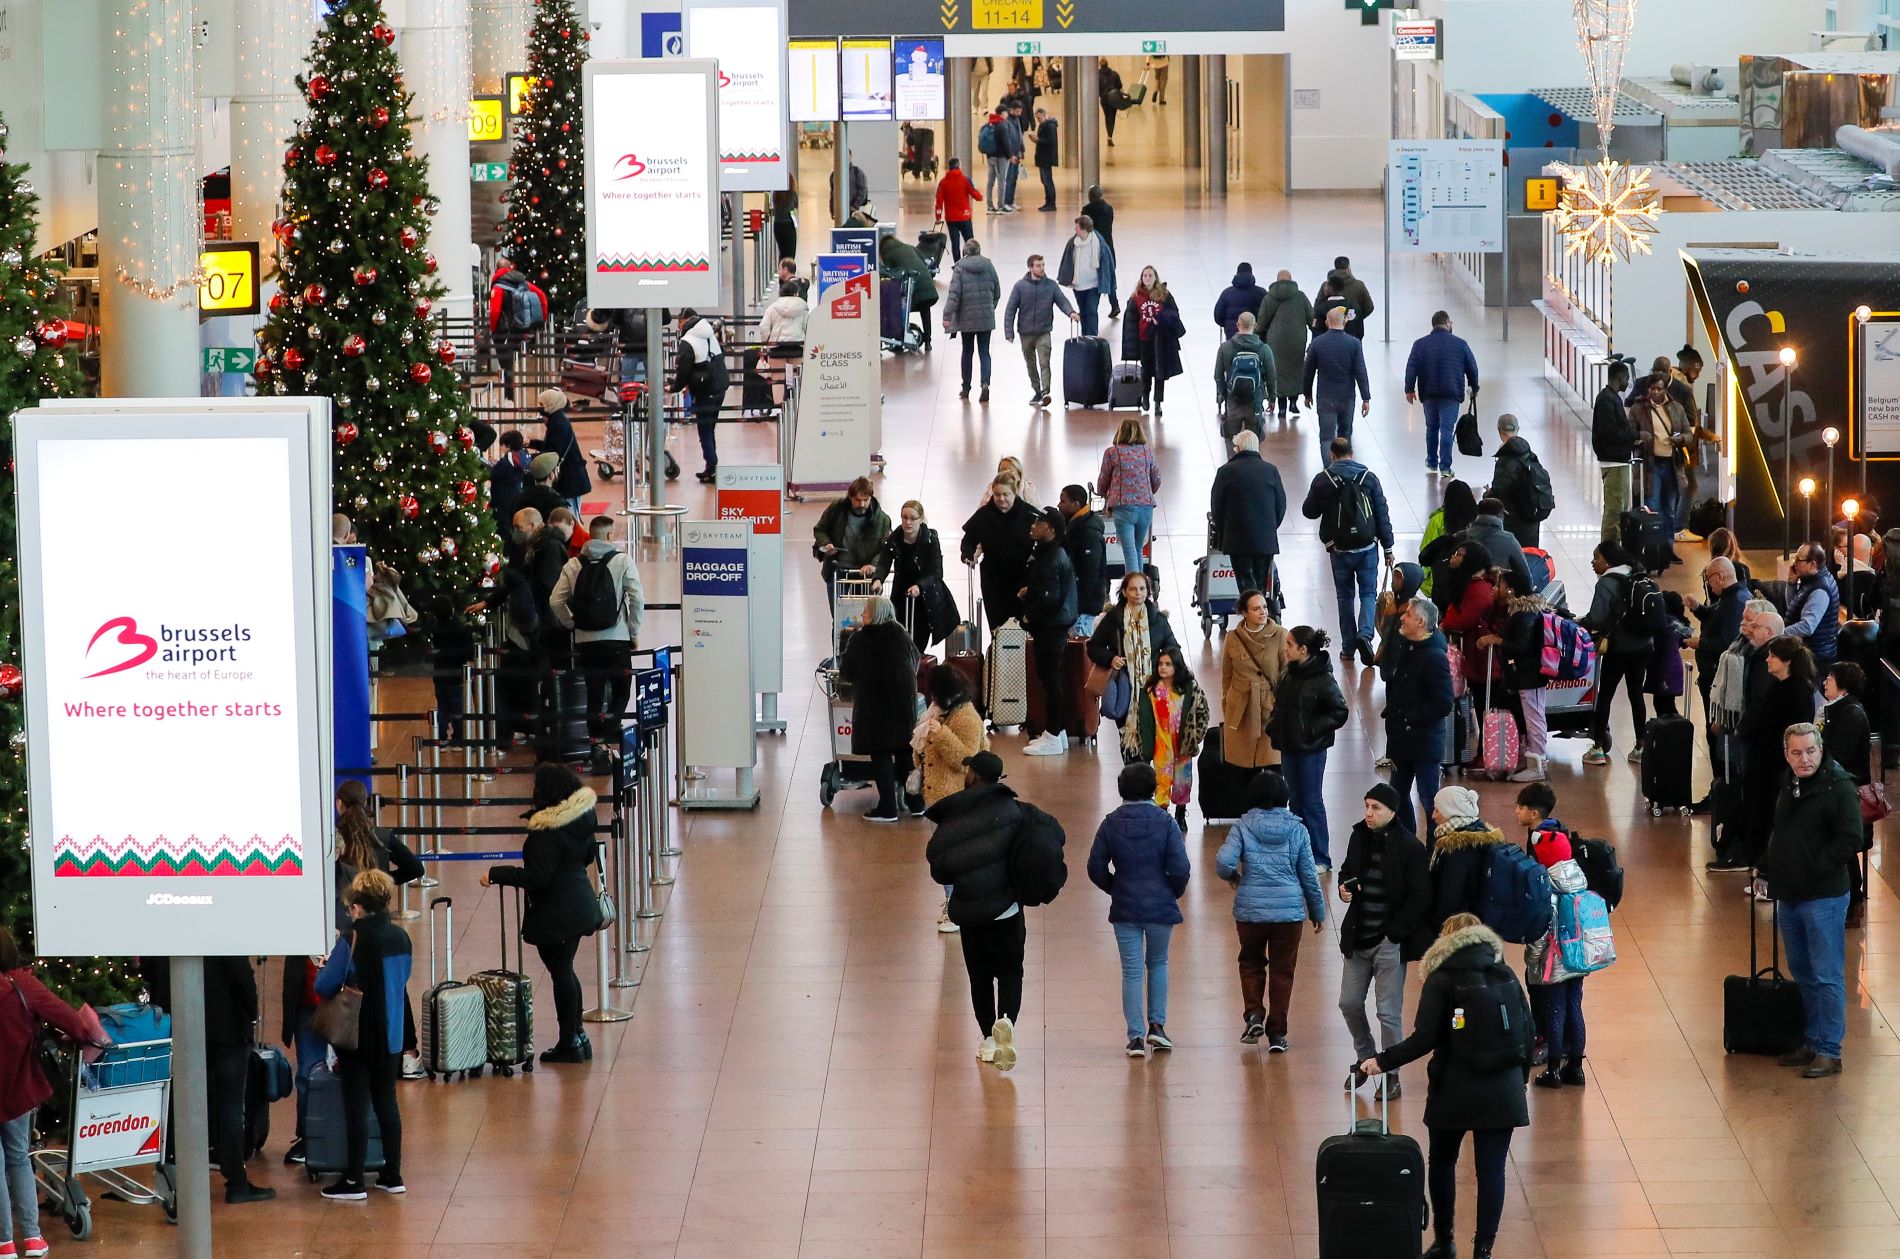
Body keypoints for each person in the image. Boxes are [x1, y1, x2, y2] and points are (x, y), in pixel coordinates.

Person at [1356, 912, 1532, 1259]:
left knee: (1442, 1162)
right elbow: (1527, 1032)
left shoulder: (1441, 978)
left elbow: (1424, 1038)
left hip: (1455, 1087)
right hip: (1504, 1089)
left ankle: (1445, 1240)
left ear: (1446, 941)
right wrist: (1520, 1081)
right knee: (1492, 1170)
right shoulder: (1506, 974)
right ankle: (1483, 1249)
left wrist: (1383, 1061)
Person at [480, 763, 604, 1065]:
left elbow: (538, 877)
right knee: (566, 969)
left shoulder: (547, 830)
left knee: (561, 972)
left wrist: (497, 873)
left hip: (556, 912)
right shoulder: (581, 818)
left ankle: (569, 1041)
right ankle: (578, 1035)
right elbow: (588, 855)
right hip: (579, 905)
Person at [0, 926, 114, 1241]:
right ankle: (33, 1237)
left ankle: (4, 1243)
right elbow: (73, 1021)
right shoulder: (24, 985)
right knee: (19, 1158)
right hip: (19, 1089)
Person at [1759, 722, 1860, 1077]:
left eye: (1811, 751)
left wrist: (1817, 867)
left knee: (1827, 973)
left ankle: (1829, 1050)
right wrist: (1768, 865)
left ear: (1821, 749)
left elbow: (1851, 837)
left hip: (1824, 896)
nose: (1805, 759)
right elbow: (1783, 830)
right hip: (1791, 894)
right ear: (1787, 754)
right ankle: (1813, 1041)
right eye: (1797, 753)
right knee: (1803, 970)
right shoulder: (1790, 783)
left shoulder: (1838, 786)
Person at [926, 751, 1039, 1067]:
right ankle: (1007, 1023)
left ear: (973, 776)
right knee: (1010, 971)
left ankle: (989, 1038)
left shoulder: (955, 815)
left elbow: (939, 869)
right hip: (1007, 911)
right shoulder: (1015, 811)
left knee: (979, 977)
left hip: (971, 913)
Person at [315, 869, 414, 1199]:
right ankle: (392, 1174)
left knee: (356, 1104)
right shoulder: (401, 937)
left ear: (357, 906)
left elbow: (325, 984)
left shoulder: (353, 939)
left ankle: (354, 1179)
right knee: (387, 1101)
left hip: (359, 1035)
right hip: (393, 1033)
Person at [1085, 762, 1193, 1062]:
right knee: (1158, 963)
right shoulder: (1166, 823)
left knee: (1131, 972)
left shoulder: (1110, 824)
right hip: (1161, 906)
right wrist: (1173, 891)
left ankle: (1134, 1036)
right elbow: (1181, 868)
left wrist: (1114, 887)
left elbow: (1095, 868)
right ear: (1152, 788)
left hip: (1125, 907)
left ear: (1122, 789)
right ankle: (1157, 1025)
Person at [1217, 772, 1325, 1050]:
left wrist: (1236, 878)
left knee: (1251, 962)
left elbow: (1223, 862)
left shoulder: (1243, 826)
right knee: (1282, 970)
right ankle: (1277, 1033)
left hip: (1250, 911)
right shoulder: (1298, 829)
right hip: (1288, 914)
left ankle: (1253, 1013)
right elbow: (1309, 877)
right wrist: (1317, 911)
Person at [1338, 784, 1432, 1099]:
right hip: (1358, 937)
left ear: (1392, 811)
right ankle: (1366, 1057)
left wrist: (1395, 932)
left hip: (1389, 941)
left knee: (1388, 1012)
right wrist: (1344, 887)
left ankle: (1391, 1071)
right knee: (1349, 1003)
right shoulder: (1357, 838)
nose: (1369, 813)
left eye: (1376, 807)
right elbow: (1346, 871)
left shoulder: (1409, 847)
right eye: (1367, 805)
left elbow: (1420, 895)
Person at [549, 515, 645, 765]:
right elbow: (637, 599)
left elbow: (555, 601)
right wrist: (633, 632)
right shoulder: (623, 561)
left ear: (590, 535)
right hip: (617, 640)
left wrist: (572, 623)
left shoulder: (573, 564)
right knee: (623, 688)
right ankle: (611, 730)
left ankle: (596, 746)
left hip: (585, 641)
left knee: (594, 693)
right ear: (611, 535)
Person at [1514, 785, 1592, 1088]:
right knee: (1574, 1006)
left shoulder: (1545, 887)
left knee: (1555, 1010)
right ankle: (1576, 1068)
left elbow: (1538, 933)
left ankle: (1554, 1071)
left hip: (1554, 959)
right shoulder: (1577, 879)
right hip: (1579, 954)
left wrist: (1532, 964)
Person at [1303, 435, 1395, 666]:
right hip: (1367, 546)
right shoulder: (1368, 478)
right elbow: (1382, 514)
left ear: (1332, 455)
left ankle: (1347, 648)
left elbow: (1309, 512)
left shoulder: (1323, 480)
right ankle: (1365, 635)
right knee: (1368, 593)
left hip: (1340, 548)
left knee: (1345, 596)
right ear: (1351, 454)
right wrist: (1388, 547)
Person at [1269, 626, 1348, 868]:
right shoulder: (1288, 675)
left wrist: (1311, 729)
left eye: (1290, 645)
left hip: (1311, 750)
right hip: (1289, 746)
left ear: (1303, 650)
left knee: (1312, 802)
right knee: (1295, 802)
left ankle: (1320, 856)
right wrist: (1274, 725)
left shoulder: (1323, 678)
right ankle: (1300, 854)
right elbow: (1280, 704)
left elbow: (1339, 711)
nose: (1285, 649)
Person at [840, 596, 923, 819]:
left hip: (874, 704)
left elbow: (846, 671)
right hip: (903, 702)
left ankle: (887, 808)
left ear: (876, 614)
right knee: (905, 751)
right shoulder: (902, 634)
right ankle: (917, 803)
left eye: (866, 610)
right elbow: (915, 660)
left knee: (881, 752)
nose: (863, 613)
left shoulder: (860, 639)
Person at [1578, 540, 1655, 767]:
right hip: (1642, 645)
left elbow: (1597, 618)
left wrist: (1580, 623)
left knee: (1606, 695)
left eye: (1596, 557)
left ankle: (1599, 748)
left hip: (1618, 648)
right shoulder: (1636, 574)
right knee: (1636, 694)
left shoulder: (1606, 583)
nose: (1593, 562)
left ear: (1608, 560)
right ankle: (1641, 745)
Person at [1090, 570, 1181, 759]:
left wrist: (1160, 664)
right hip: (1125, 686)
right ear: (1124, 592)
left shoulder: (1158, 620)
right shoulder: (1113, 619)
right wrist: (1110, 658)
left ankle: (1146, 774)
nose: (1138, 593)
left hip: (1153, 687)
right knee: (1126, 735)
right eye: (1133, 589)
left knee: (1152, 734)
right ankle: (1132, 774)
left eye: (1142, 588)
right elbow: (1093, 646)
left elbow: (1173, 648)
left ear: (1148, 591)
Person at [1382, 599, 1455, 835]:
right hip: (1402, 740)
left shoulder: (1434, 657)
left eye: (1408, 615)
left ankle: (1435, 852)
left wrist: (1409, 718)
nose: (1402, 618)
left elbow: (1443, 703)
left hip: (1424, 742)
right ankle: (1408, 846)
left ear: (1421, 623)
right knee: (1397, 796)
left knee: (1429, 801)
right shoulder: (1409, 646)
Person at [1686, 556, 1748, 795]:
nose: (1709, 585)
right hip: (1713, 677)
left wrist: (1698, 642)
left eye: (1709, 579)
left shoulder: (1735, 602)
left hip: (1719, 681)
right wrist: (1698, 609)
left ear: (1720, 577)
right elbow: (1715, 618)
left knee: (1718, 735)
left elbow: (1727, 642)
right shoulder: (1731, 597)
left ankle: (1721, 790)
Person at [1483, 569, 1554, 782]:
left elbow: (1522, 646)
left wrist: (1497, 641)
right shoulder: (1525, 612)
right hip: (1531, 675)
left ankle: (1537, 764)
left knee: (1534, 718)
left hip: (1528, 675)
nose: (1497, 589)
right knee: (1534, 716)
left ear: (1511, 589)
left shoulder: (1524, 615)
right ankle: (1536, 760)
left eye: (1500, 585)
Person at [1020, 507, 1080, 757]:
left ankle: (1053, 735)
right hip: (1057, 623)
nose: (1033, 525)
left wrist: (1027, 614)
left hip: (1051, 626)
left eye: (1040, 522)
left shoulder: (1051, 557)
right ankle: (1059, 731)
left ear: (1052, 530)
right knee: (1053, 679)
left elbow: (1049, 598)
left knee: (1051, 680)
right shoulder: (1050, 553)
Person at [1131, 644, 1211, 830]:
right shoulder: (1151, 691)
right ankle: (1162, 814)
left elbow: (1203, 711)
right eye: (1160, 664)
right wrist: (1145, 743)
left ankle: (1181, 813)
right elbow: (1142, 718)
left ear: (1177, 666)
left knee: (1183, 781)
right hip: (1161, 744)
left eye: (1168, 664)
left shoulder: (1189, 688)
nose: (1163, 667)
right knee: (1162, 780)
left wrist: (1195, 736)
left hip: (1182, 745)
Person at [1820, 662, 1874, 922]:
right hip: (1839, 788)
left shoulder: (1850, 713)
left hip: (1848, 792)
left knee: (1845, 847)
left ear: (1843, 683)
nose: (1825, 682)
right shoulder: (1836, 710)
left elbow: (1841, 755)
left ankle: (1854, 900)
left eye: (1830, 678)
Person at [1210, 430, 1287, 600]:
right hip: (1265, 539)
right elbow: (1281, 505)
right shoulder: (1271, 470)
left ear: (1237, 448)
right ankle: (1260, 616)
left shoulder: (1225, 471)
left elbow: (1217, 507)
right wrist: (1270, 527)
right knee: (1260, 584)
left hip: (1237, 539)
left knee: (1245, 585)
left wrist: (1225, 532)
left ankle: (1252, 619)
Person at [1221, 587, 1289, 774]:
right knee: (1241, 765)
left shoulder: (1281, 635)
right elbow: (1227, 675)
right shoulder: (1233, 637)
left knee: (1272, 762)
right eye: (1256, 609)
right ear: (1244, 612)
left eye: (1265, 607)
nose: (1263, 612)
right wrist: (1226, 702)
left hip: (1269, 706)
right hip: (1241, 706)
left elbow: (1286, 673)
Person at [1404, 311, 1480, 477]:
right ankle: (1445, 467)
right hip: (1451, 393)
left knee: (1431, 428)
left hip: (1429, 393)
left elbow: (1411, 367)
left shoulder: (1420, 344)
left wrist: (1409, 389)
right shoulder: (1460, 344)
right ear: (1447, 323)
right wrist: (1474, 387)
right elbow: (1472, 368)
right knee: (1447, 429)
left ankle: (1431, 462)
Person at [1001, 253, 1078, 408]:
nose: (1042, 268)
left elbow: (1061, 300)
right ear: (1030, 268)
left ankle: (1045, 392)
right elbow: (1010, 310)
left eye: (1043, 265)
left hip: (1043, 332)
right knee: (1031, 365)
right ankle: (1037, 390)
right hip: (1026, 333)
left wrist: (1071, 312)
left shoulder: (1051, 285)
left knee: (1044, 363)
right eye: (1038, 265)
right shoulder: (1020, 287)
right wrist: (1009, 332)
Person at [961, 476, 1038, 629]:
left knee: (1021, 627)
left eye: (1006, 494)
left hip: (1022, 579)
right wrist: (968, 555)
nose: (1001, 499)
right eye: (997, 495)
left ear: (1015, 493)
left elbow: (1044, 543)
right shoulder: (984, 515)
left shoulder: (1030, 515)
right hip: (993, 581)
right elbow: (968, 540)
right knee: (997, 627)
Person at [1302, 307, 1372, 459]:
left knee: (1326, 436)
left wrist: (1307, 394)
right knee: (1345, 435)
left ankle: (1329, 470)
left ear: (1327, 322)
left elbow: (1308, 372)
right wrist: (1365, 398)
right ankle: (1345, 467)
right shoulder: (1354, 344)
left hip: (1325, 396)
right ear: (1345, 322)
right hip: (1347, 396)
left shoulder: (1318, 343)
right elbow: (1361, 371)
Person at [1097, 417, 1161, 578]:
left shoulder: (1112, 452)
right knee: (1138, 548)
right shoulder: (1147, 452)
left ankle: (1132, 592)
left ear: (1120, 433)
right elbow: (1157, 479)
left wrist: (1104, 494)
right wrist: (1146, 493)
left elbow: (1103, 480)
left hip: (1123, 506)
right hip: (1146, 507)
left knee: (1129, 550)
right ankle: (1141, 590)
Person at [671, 308, 730, 483]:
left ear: (686, 320)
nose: (678, 325)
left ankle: (711, 467)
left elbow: (683, 370)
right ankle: (711, 466)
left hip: (705, 390)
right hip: (720, 387)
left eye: (679, 321)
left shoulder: (688, 341)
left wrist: (674, 387)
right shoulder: (709, 333)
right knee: (710, 428)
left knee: (704, 429)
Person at [814, 477, 893, 604]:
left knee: (863, 616)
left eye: (865, 500)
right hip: (837, 570)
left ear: (871, 498)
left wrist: (873, 565)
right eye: (858, 500)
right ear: (850, 497)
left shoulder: (882, 520)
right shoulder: (836, 509)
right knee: (839, 617)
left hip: (863, 575)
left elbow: (886, 549)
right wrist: (826, 544)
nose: (862, 504)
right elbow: (820, 529)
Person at [1631, 372, 1692, 534]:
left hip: (1672, 465)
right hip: (1651, 466)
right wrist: (1640, 439)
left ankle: (1666, 548)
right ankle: (1653, 547)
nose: (1656, 392)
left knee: (1669, 509)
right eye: (1652, 389)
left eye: (1659, 388)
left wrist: (1680, 439)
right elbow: (1630, 434)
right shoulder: (1639, 409)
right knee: (1653, 507)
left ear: (1665, 389)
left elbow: (1689, 435)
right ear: (1648, 390)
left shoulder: (1676, 408)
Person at [1121, 265, 1186, 417]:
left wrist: (1161, 319)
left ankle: (1158, 402)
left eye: (1150, 275)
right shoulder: (1136, 297)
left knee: (1160, 372)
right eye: (1145, 276)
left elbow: (1174, 313)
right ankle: (1145, 395)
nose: (1148, 278)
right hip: (1144, 339)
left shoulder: (1164, 294)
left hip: (1160, 339)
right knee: (1146, 369)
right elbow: (1130, 322)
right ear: (1141, 278)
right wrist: (1130, 345)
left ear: (1155, 277)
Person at [942, 238, 1001, 401]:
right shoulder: (988, 265)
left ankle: (966, 388)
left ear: (965, 252)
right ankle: (985, 384)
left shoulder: (960, 268)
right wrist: (989, 308)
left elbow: (954, 295)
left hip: (966, 319)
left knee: (967, 352)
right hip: (985, 319)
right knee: (984, 352)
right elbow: (997, 292)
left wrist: (947, 316)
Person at [888, 501, 948, 656]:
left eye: (913, 518)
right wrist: (877, 578)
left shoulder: (930, 539)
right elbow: (884, 560)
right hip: (900, 597)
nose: (908, 522)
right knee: (898, 640)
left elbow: (936, 572)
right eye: (904, 518)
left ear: (921, 519)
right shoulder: (895, 538)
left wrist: (919, 586)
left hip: (925, 600)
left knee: (917, 644)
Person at [487, 258, 547, 398]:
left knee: (506, 364)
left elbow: (495, 311)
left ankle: (510, 396)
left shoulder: (498, 287)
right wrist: (539, 320)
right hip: (522, 329)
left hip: (503, 332)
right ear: (510, 268)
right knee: (516, 361)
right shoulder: (523, 283)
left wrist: (492, 328)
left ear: (497, 270)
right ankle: (521, 394)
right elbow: (542, 297)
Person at [1256, 270, 1313, 420]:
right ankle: (1293, 402)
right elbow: (1311, 317)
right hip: (1297, 339)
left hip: (1276, 340)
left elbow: (1261, 321)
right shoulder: (1300, 296)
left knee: (1278, 371)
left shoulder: (1269, 297)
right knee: (1295, 368)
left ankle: (1281, 408)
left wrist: (1254, 336)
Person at [1593, 359, 1639, 541]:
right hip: (1613, 462)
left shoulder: (1611, 398)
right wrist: (1635, 435)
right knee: (1614, 511)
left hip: (1617, 460)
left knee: (1620, 508)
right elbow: (1610, 432)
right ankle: (1608, 551)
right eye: (1626, 378)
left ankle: (1614, 549)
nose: (1627, 382)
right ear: (1619, 377)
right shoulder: (1607, 400)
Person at [1489, 415, 1551, 547]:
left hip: (1513, 521)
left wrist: (1488, 496)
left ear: (1499, 431)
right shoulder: (1530, 454)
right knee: (1530, 556)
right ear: (1518, 429)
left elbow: (1500, 492)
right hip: (1532, 517)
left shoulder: (1505, 459)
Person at [528, 388, 591, 514]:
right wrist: (532, 443)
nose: (540, 408)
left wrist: (532, 457)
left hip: (570, 479)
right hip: (570, 477)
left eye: (542, 404)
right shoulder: (556, 420)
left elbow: (553, 452)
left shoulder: (558, 425)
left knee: (570, 515)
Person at [1418, 478, 1478, 601]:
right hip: (1472, 582)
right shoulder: (1477, 520)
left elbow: (1426, 549)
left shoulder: (1438, 520)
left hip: (1442, 582)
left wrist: (1425, 579)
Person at [878, 233, 940, 352]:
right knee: (925, 312)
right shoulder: (910, 247)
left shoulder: (888, 253)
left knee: (900, 311)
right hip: (927, 284)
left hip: (913, 287)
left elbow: (890, 273)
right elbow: (922, 260)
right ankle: (928, 342)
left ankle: (899, 340)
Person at [1058, 485, 1108, 634]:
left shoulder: (1088, 533)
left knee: (1080, 651)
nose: (1059, 505)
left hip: (1084, 609)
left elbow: (1089, 574)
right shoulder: (1074, 524)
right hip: (1076, 604)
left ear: (1076, 505)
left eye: (1063, 501)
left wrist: (1077, 607)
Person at [1055, 214, 1115, 338]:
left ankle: (1092, 337)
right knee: (1083, 311)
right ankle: (1085, 336)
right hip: (1078, 285)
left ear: (1084, 229)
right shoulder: (1073, 243)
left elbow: (1107, 263)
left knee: (1092, 310)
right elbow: (1067, 260)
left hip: (1093, 285)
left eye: (1077, 228)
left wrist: (1107, 282)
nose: (1075, 230)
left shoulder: (1099, 243)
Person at [1787, 541, 1843, 666]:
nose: (1794, 564)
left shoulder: (1820, 589)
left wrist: (1779, 633)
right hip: (1812, 653)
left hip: (1816, 658)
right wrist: (1791, 584)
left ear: (1812, 564)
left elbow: (1807, 626)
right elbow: (1793, 607)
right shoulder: (1811, 580)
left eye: (1798, 560)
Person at [1213, 311, 1275, 421]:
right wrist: (1271, 398)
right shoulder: (1264, 349)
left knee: (1232, 435)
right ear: (1255, 325)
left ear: (1237, 325)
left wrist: (1224, 394)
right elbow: (1271, 376)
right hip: (1256, 398)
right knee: (1254, 435)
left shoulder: (1225, 347)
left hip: (1233, 397)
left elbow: (1218, 375)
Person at [1464, 496, 1532, 594]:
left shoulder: (1462, 536)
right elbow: (1526, 577)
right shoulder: (1508, 539)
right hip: (1494, 597)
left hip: (1464, 597)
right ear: (1500, 515)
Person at [932, 157, 983, 259]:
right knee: (969, 241)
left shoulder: (943, 182)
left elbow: (939, 201)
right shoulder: (965, 180)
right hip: (965, 217)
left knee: (955, 244)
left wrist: (938, 217)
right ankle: (971, 261)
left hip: (951, 219)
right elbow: (977, 196)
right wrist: (980, 195)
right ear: (959, 166)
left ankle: (957, 264)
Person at [1316, 255, 1375, 339]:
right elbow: (1369, 307)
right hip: (1354, 332)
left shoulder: (1326, 285)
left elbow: (1317, 307)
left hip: (1328, 332)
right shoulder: (1359, 285)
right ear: (1348, 267)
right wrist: (1355, 319)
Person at [1083, 185, 1120, 316]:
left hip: (1094, 248)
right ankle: (1114, 304)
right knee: (1109, 276)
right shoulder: (1108, 209)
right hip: (1109, 247)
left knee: (1094, 279)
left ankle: (1093, 309)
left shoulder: (1087, 210)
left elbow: (1085, 230)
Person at [489, 430, 531, 533]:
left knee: (503, 527)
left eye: (502, 445)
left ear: (508, 445)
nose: (501, 448)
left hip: (502, 498)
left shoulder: (506, 462)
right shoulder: (524, 456)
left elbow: (493, 474)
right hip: (517, 495)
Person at [1213, 262, 1263, 339]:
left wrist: (1228, 325)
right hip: (1255, 335)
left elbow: (1218, 316)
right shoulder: (1261, 293)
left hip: (1232, 335)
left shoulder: (1227, 293)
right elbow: (1266, 314)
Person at [1031, 106, 1059, 211]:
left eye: (1039, 118)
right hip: (1043, 157)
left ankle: (1051, 203)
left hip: (1046, 158)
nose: (1038, 121)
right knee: (1045, 180)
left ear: (1044, 115)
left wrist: (1038, 140)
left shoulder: (1050, 126)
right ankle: (1048, 201)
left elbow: (1050, 142)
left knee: (1048, 180)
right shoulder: (1044, 125)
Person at [771, 178, 798, 274]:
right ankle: (789, 277)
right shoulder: (792, 195)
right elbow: (796, 205)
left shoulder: (775, 195)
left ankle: (782, 276)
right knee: (790, 254)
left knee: (782, 253)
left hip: (778, 225)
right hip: (789, 225)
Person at [1097, 60, 1125, 146]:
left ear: (1100, 65)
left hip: (1104, 99)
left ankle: (1108, 134)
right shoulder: (1114, 74)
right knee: (1112, 117)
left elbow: (1096, 88)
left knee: (1107, 116)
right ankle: (1110, 136)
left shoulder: (1097, 75)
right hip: (1114, 98)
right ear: (1107, 64)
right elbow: (1120, 86)